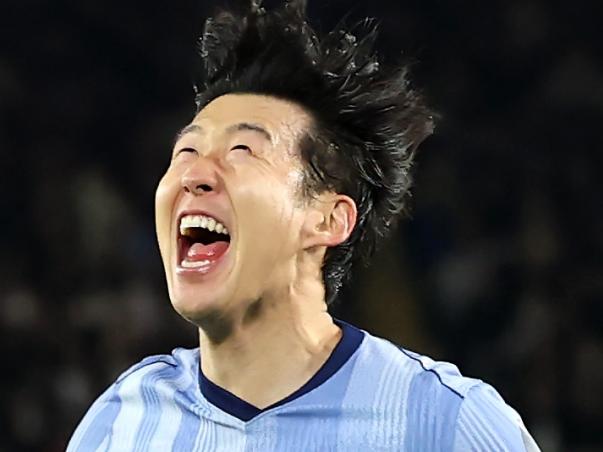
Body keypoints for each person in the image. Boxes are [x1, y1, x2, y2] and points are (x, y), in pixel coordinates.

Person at [67, 0, 540, 450]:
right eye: (185, 152)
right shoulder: (121, 421)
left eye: (242, 151)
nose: (193, 175)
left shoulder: (443, 422)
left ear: (328, 219)